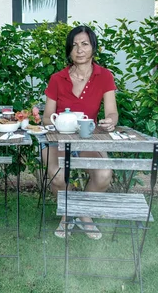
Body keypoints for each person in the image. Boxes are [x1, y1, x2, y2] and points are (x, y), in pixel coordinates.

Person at [42, 25, 118, 240]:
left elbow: (112, 112)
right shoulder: (57, 78)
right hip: (58, 141)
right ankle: (67, 214)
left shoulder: (105, 76)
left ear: (94, 47)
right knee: (57, 175)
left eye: (84, 44)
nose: (79, 49)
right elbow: (48, 117)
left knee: (104, 175)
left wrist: (110, 122)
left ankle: (83, 213)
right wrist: (65, 124)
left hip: (88, 140)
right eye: (74, 45)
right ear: (69, 50)